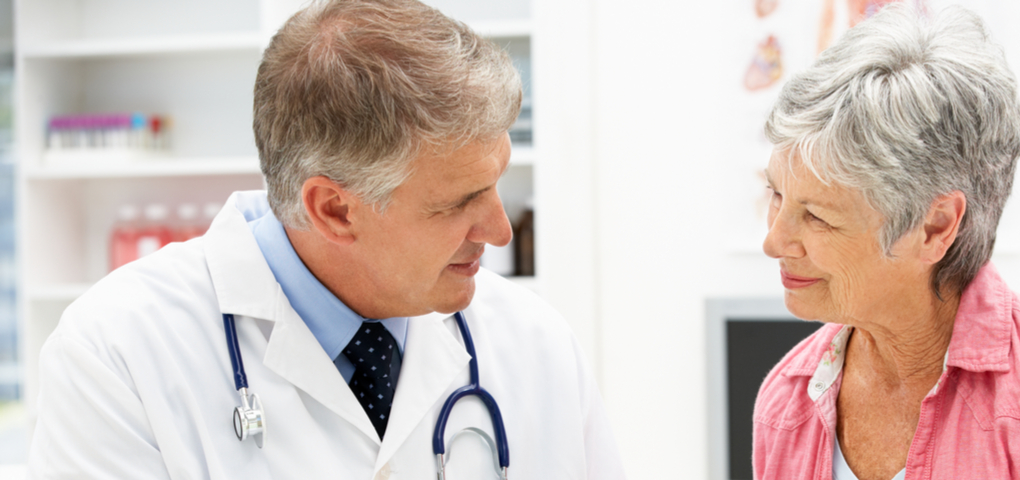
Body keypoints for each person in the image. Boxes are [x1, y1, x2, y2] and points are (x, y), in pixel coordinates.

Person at [27, 1, 626, 478]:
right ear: (334, 209)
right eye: (458, 202)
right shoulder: (116, 355)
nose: (499, 230)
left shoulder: (535, 342)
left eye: (496, 183)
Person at [752, 5, 1020, 480]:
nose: (774, 241)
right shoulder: (788, 397)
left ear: (935, 227)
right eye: (776, 193)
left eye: (817, 216)